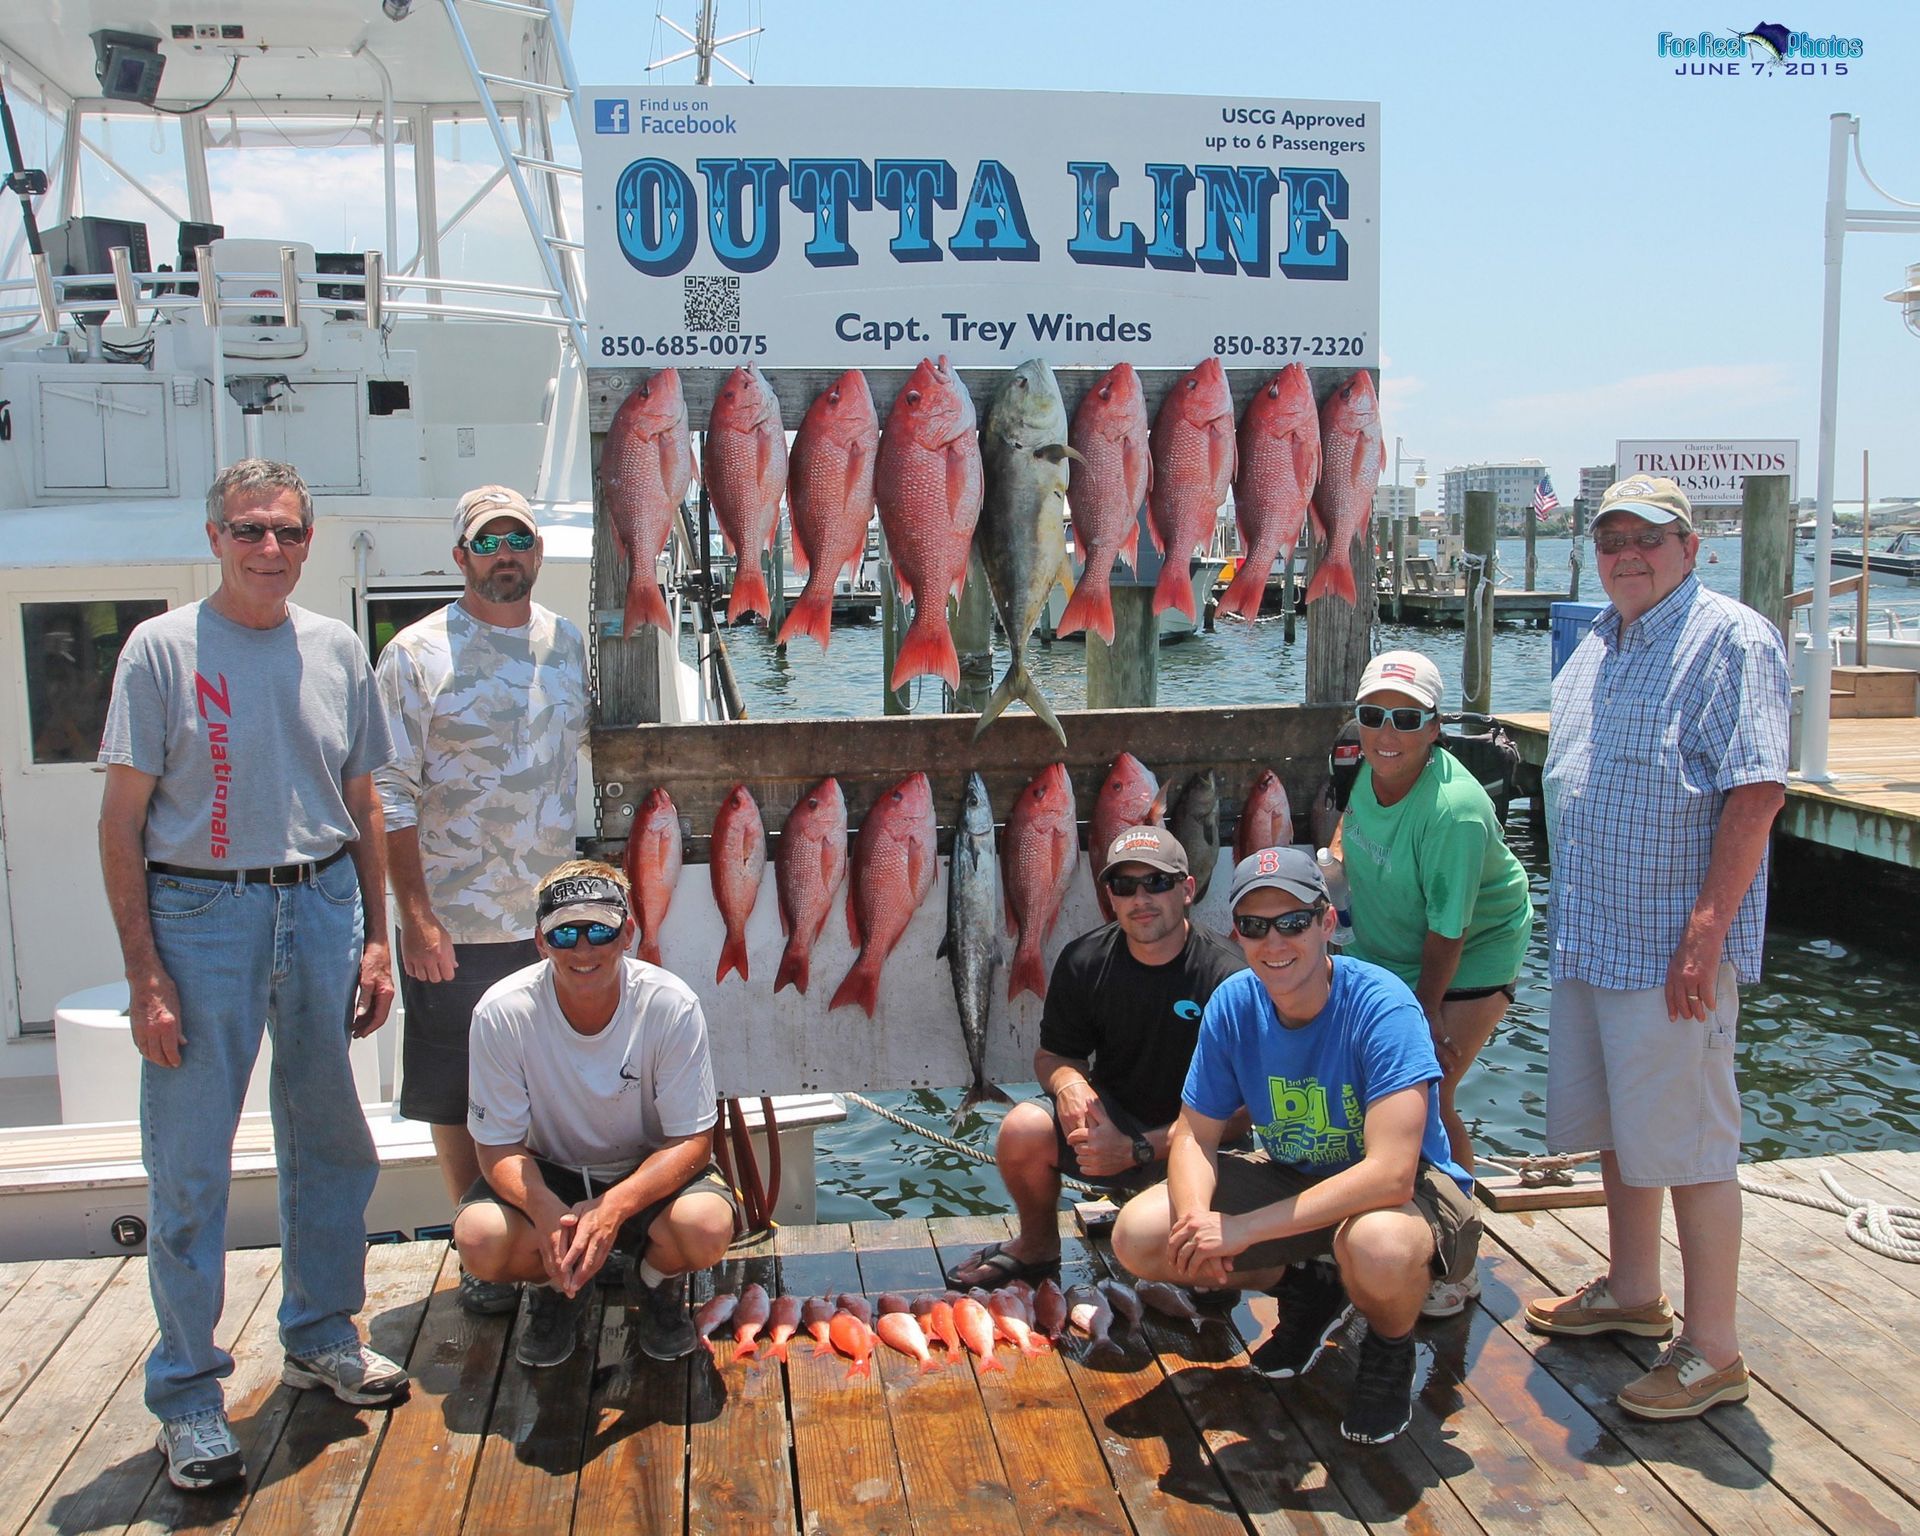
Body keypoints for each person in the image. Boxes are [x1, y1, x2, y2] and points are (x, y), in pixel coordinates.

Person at [97, 458, 410, 1494]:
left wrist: (376, 935)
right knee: (189, 1168)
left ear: (308, 542)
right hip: (201, 915)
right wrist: (146, 972)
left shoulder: (333, 650)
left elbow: (362, 798)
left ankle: (321, 1333)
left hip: (320, 904)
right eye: (247, 530)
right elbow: (121, 823)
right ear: (216, 537)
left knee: (330, 1139)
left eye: (285, 531)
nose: (267, 548)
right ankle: (189, 1391)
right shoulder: (159, 650)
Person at [1528, 475, 1788, 1421]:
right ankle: (1633, 1292)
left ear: (1692, 545)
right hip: (1591, 937)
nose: (1627, 552)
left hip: (1671, 950)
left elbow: (1756, 793)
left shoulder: (1732, 637)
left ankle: (1714, 1350)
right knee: (1618, 1134)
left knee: (1691, 1144)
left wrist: (1706, 933)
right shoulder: (1597, 639)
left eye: (1650, 536)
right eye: (1611, 537)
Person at [1112, 847, 1481, 1447]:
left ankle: (1389, 1350)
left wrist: (1243, 1231)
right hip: (1294, 1176)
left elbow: (1390, 1174)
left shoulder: (1381, 1005)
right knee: (1144, 1235)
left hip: (1407, 1198)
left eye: (1292, 922)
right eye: (1255, 927)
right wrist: (1198, 1221)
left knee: (1377, 1246)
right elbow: (1193, 1138)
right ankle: (1307, 1286)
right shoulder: (1233, 1003)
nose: (1274, 942)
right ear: (1238, 933)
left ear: (1327, 923)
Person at [374, 485, 589, 1316]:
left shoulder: (568, 643)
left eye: (520, 540)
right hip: (454, 923)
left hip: (553, 919)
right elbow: (387, 793)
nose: (507, 554)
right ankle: (479, 1240)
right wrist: (416, 916)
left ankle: (548, 1230)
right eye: (488, 541)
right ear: (461, 557)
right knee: (457, 1090)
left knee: (539, 1083)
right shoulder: (416, 654)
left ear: (537, 552)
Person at [453, 861, 738, 1368]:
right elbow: (495, 1144)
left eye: (599, 930)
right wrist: (544, 1210)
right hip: (551, 1173)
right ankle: (551, 1287)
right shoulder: (500, 1012)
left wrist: (613, 1207)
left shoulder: (672, 1004)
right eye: (564, 933)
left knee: (705, 1226)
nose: (583, 950)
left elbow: (694, 1142)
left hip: (646, 1174)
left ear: (627, 933)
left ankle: (654, 1281)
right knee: (479, 1238)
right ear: (540, 942)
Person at [945, 825, 1247, 1289]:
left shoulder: (1229, 975)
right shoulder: (1085, 959)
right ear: (1110, 895)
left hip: (1199, 1144)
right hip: (1110, 1124)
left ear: (1188, 890)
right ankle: (1038, 1245)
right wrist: (1070, 1085)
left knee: (1206, 1285)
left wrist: (1138, 1148)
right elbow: (1053, 1055)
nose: (1140, 898)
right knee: (1023, 1128)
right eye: (1124, 886)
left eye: (1157, 882)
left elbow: (1242, 1116)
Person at [1335, 648, 1532, 1317]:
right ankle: (1380, 1226)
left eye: (1406, 720)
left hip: (1469, 954)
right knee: (1363, 1094)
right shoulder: (1365, 769)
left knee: (1427, 1095)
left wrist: (1426, 1014)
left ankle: (1458, 1257)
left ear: (1434, 728)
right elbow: (1354, 833)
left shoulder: (1455, 811)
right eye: (1373, 716)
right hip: (1389, 948)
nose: (1387, 734)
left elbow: (1450, 930)